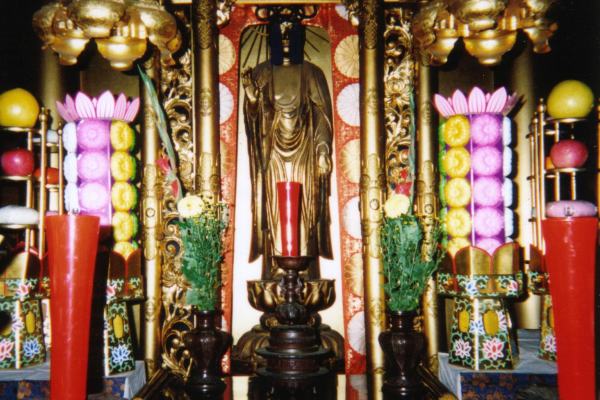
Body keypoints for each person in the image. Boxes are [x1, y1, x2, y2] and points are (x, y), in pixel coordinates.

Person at [242, 17, 333, 279]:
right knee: (274, 209)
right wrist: (252, 100)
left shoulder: (311, 73)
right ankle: (275, 268)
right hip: (272, 152)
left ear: (298, 39)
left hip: (305, 151)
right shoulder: (261, 73)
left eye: (290, 34)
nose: (284, 39)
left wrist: (322, 150)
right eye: (279, 33)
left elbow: (322, 116)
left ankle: (304, 269)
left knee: (304, 210)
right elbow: (254, 121)